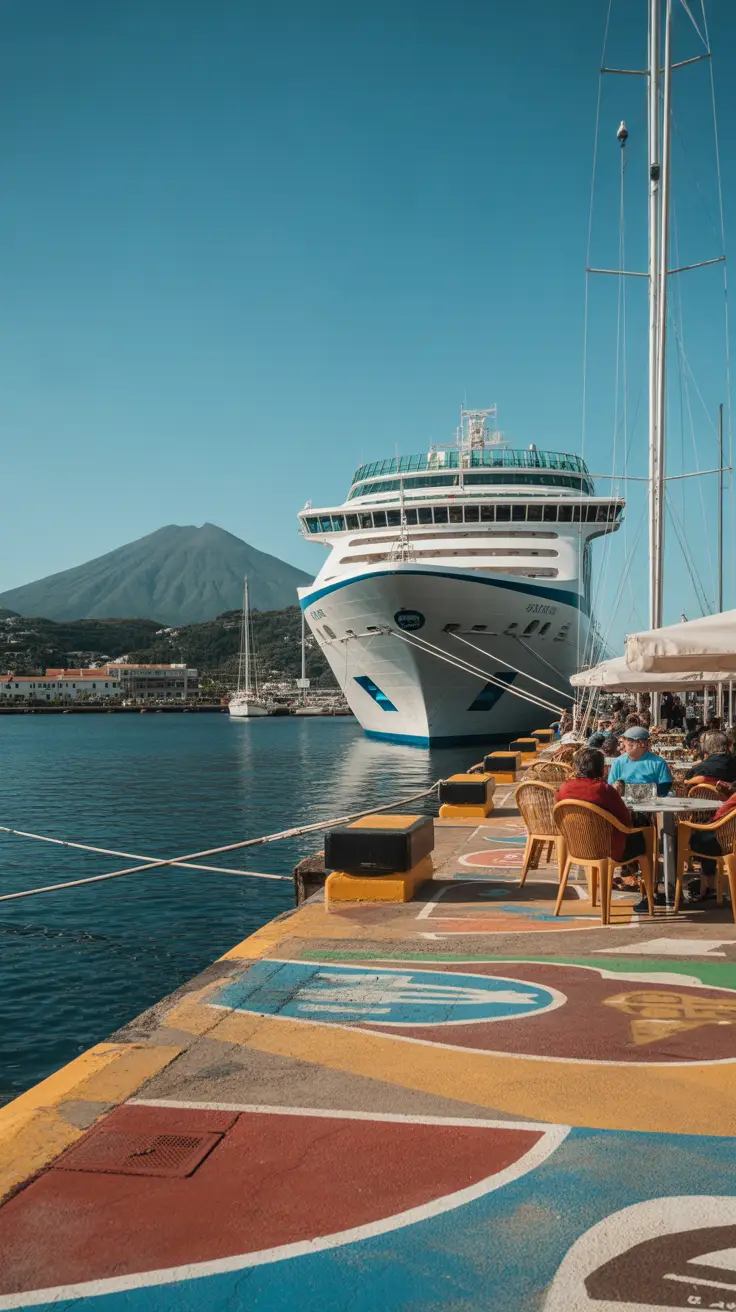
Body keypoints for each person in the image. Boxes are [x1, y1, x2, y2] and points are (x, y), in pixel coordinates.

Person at [607, 726, 673, 796]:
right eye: (623, 742)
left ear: (642, 744)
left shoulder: (659, 763)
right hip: (623, 804)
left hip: (651, 805)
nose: (623, 745)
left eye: (629, 742)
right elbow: (610, 787)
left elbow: (664, 789)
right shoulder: (618, 762)